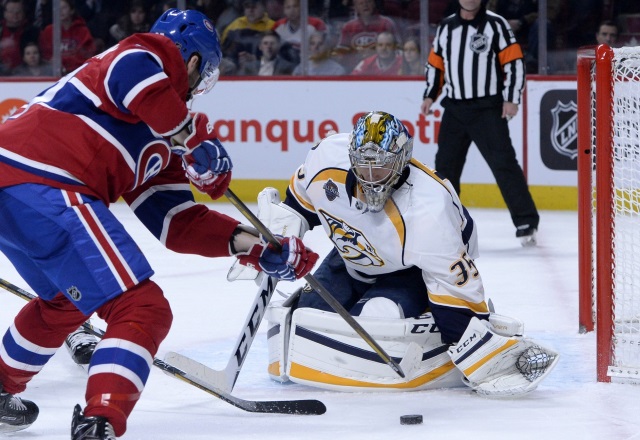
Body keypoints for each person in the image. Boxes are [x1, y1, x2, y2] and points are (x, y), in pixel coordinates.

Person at [0, 8, 318, 439]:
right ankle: (100, 423)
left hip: (17, 192)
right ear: (190, 60)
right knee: (141, 308)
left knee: (64, 302)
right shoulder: (148, 54)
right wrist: (192, 138)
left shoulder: (164, 139)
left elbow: (176, 223)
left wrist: (256, 248)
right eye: (202, 71)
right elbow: (133, 71)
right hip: (45, 181)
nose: (198, 88)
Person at [249, 111, 558, 394]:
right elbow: (299, 203)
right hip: (351, 257)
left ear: (402, 160)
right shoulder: (326, 158)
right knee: (306, 314)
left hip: (410, 271)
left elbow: (456, 286)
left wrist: (468, 338)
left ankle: (425, 314)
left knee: (375, 318)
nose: (370, 174)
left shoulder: (429, 213)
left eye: (380, 164)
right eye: (363, 163)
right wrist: (276, 237)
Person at [421, 0, 539, 246]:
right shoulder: (446, 27)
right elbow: (435, 64)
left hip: (487, 107)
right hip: (454, 108)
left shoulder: (496, 24)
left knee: (503, 163)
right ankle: (447, 222)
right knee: (444, 168)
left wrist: (512, 98)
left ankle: (526, 220)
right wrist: (430, 94)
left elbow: (515, 62)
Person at [333, 0, 400, 72]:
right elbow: (341, 52)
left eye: (368, 2)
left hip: (381, 71)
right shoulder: (348, 27)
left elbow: (398, 49)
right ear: (355, 7)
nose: (365, 5)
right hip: (354, 71)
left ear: (374, 4)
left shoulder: (386, 23)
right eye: (361, 3)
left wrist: (376, 53)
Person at [39, 0, 97, 73]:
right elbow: (45, 55)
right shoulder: (48, 31)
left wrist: (62, 61)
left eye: (64, 8)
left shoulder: (82, 31)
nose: (60, 11)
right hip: (53, 74)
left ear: (72, 10)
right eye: (58, 8)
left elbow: (86, 56)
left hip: (78, 73)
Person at [220, 0, 275, 74]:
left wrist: (256, 59)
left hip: (261, 68)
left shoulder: (272, 26)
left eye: (254, 7)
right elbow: (223, 50)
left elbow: (275, 55)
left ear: (264, 7)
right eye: (247, 7)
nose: (250, 10)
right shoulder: (234, 25)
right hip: (235, 67)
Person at [272, 0, 327, 64]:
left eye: (295, 6)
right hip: (285, 65)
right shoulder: (278, 25)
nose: (292, 10)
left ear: (302, 7)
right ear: (284, 10)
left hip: (311, 63)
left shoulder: (316, 24)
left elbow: (324, 46)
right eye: (288, 7)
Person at [0, 0, 40, 75]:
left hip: (25, 73)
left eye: (18, 11)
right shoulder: (1, 30)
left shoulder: (32, 32)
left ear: (23, 13)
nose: (15, 14)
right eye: (11, 11)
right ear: (5, 13)